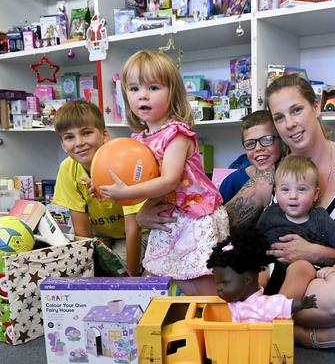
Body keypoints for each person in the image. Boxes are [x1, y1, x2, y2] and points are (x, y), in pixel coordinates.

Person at [218, 74, 335, 355]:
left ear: (316, 106)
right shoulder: (271, 174)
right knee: (220, 278)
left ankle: (260, 321)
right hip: (274, 278)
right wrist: (151, 215)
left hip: (330, 283)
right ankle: (303, 335)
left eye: (297, 110)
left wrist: (316, 253)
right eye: (280, 117)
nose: (290, 124)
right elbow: (218, 224)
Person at [98, 50, 228, 296]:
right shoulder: (139, 139)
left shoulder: (176, 134)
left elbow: (168, 181)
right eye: (134, 89)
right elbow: (132, 180)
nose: (142, 95)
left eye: (153, 87)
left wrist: (125, 191)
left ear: (173, 93)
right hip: (168, 217)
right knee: (160, 279)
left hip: (195, 217)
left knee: (203, 282)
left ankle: (213, 327)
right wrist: (102, 188)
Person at [51, 100, 144, 276]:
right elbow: (82, 232)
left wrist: (132, 279)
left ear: (104, 135)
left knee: (118, 272)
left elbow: (134, 229)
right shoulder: (67, 169)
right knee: (90, 267)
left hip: (135, 233)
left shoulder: (124, 163)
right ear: (63, 145)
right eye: (69, 137)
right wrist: (88, 274)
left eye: (86, 133)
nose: (79, 143)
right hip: (99, 232)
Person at [257, 155, 335, 299]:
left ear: (315, 194)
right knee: (256, 268)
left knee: (301, 266)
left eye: (302, 189)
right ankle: (251, 306)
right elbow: (254, 241)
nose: (293, 196)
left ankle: (279, 311)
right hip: (270, 267)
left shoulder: (320, 219)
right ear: (276, 192)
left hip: (304, 276)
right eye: (285, 190)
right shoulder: (270, 214)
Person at [206, 226, 317, 323]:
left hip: (260, 344)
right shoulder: (233, 302)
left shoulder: (262, 305)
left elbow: (283, 305)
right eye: (218, 283)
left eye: (224, 283)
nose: (219, 289)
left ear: (247, 279)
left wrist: (302, 304)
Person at [219, 110, 283, 204]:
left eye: (266, 140)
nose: (258, 148)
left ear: (281, 140)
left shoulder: (295, 176)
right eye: (250, 143)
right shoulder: (231, 182)